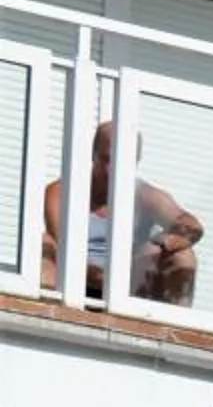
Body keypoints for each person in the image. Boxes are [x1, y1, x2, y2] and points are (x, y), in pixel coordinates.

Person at [39, 122, 204, 306]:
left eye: (120, 161)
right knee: (43, 244)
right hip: (74, 280)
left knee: (183, 255)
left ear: (135, 161)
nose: (111, 170)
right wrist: (104, 277)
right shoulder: (62, 191)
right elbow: (64, 249)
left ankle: (175, 326)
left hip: (129, 285)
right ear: (93, 155)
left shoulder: (145, 195)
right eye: (106, 159)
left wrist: (165, 243)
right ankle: (46, 316)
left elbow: (192, 226)